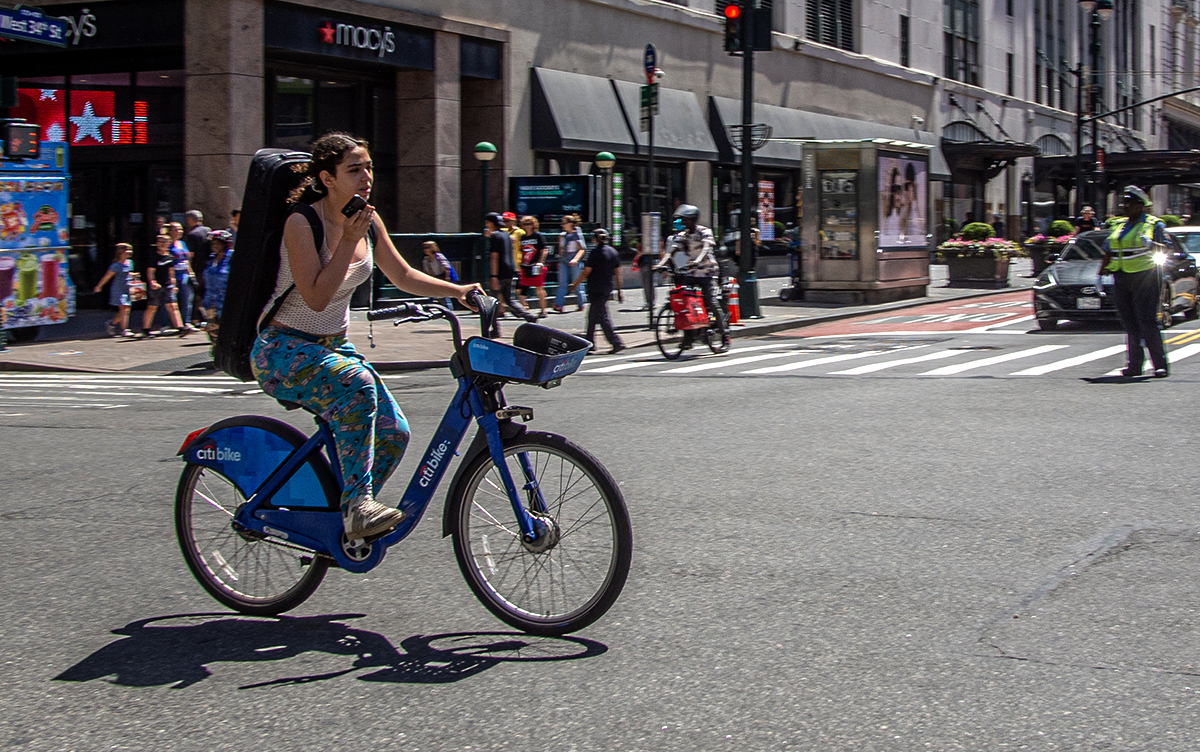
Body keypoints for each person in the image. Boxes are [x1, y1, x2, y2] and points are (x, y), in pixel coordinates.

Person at [251, 131, 479, 542]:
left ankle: (335, 516)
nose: (366, 176)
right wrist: (349, 242)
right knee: (358, 390)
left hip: (333, 349)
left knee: (395, 432)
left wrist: (457, 291)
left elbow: (403, 275)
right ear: (327, 178)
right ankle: (357, 507)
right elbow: (317, 297)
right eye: (354, 169)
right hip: (282, 349)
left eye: (369, 167)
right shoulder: (302, 222)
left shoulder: (367, 220)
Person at [1099, 186, 1169, 379]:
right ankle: (1135, 365)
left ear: (1140, 205)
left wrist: (1152, 244)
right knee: (1130, 323)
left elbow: (1167, 249)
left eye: (1129, 204)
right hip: (1122, 277)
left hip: (1145, 277)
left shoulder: (1154, 225)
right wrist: (1099, 274)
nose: (1125, 207)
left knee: (1147, 321)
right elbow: (1108, 250)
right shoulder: (1119, 225)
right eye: (1124, 203)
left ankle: (1160, 365)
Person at [667, 203, 727, 350]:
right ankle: (688, 338)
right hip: (692, 272)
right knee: (685, 301)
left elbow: (706, 248)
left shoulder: (704, 231)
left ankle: (725, 334)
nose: (682, 222)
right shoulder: (682, 236)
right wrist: (660, 264)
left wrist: (698, 260)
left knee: (711, 301)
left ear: (692, 220)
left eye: (685, 219)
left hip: (707, 271)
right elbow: (672, 251)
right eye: (681, 220)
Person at [569, 228, 625, 354]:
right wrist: (619, 291)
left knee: (602, 316)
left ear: (594, 239)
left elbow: (586, 271)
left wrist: (575, 284)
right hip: (606, 287)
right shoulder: (613, 252)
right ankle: (589, 343)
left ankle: (616, 342)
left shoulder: (595, 253)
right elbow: (617, 273)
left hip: (595, 288)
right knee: (593, 316)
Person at [485, 212, 536, 337]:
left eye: (487, 223)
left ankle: (495, 330)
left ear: (491, 223)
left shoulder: (495, 236)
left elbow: (494, 256)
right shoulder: (506, 235)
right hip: (510, 270)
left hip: (500, 272)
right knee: (509, 299)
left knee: (493, 302)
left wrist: (493, 276)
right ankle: (528, 315)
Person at [139, 234, 186, 338]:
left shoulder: (169, 256)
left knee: (173, 306)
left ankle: (180, 327)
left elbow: (171, 271)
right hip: (157, 285)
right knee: (152, 307)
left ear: (169, 244)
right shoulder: (154, 256)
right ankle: (146, 329)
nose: (162, 244)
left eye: (165, 242)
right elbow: (150, 271)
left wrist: (173, 284)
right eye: (160, 242)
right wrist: (152, 282)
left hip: (167, 284)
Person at [92, 242, 134, 337]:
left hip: (127, 288)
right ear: (121, 252)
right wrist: (99, 286)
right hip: (118, 289)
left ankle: (112, 323)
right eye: (126, 250)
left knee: (126, 309)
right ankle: (124, 329)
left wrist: (133, 276)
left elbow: (128, 274)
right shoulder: (115, 265)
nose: (129, 252)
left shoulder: (130, 263)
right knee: (123, 308)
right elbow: (107, 277)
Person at [201, 230, 234, 341]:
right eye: (213, 243)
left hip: (226, 301)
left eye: (218, 243)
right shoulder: (211, 260)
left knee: (227, 332)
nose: (214, 246)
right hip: (211, 301)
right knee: (213, 331)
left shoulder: (231, 258)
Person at [553, 214, 588, 313]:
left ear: (570, 224)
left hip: (573, 257)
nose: (562, 225)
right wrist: (559, 257)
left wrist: (576, 259)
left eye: (564, 223)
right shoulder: (562, 235)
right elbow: (560, 249)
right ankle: (559, 304)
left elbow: (581, 249)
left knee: (576, 282)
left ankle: (581, 303)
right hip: (564, 258)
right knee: (562, 282)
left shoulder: (577, 233)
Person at [168, 221, 199, 332]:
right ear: (169, 231)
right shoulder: (167, 243)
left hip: (184, 274)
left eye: (180, 229)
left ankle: (186, 321)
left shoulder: (182, 243)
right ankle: (168, 324)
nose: (179, 232)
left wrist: (190, 273)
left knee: (187, 297)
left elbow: (187, 260)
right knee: (171, 299)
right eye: (176, 229)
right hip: (172, 273)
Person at [516, 215, 549, 318]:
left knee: (539, 289)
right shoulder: (523, 237)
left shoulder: (537, 236)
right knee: (523, 289)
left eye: (529, 224)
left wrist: (540, 262)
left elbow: (543, 250)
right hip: (525, 265)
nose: (527, 226)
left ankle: (543, 311)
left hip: (535, 265)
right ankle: (524, 312)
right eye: (525, 224)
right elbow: (522, 251)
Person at [631, 230, 665, 326]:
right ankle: (650, 301)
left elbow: (640, 251)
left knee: (648, 283)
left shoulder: (652, 239)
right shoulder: (652, 239)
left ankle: (651, 302)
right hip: (647, 262)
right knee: (648, 283)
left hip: (648, 262)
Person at [183, 209, 211, 323]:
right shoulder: (208, 231)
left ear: (189, 220)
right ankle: (206, 316)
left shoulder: (192, 235)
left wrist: (189, 270)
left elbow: (190, 254)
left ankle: (195, 318)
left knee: (196, 293)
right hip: (208, 266)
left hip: (197, 267)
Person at [421, 240, 455, 308]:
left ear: (433, 248)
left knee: (444, 296)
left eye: (427, 247)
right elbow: (427, 272)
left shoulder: (439, 256)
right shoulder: (425, 259)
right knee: (431, 295)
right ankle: (429, 308)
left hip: (443, 277)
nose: (425, 250)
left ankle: (450, 310)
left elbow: (446, 268)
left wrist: (447, 279)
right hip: (434, 278)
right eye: (424, 248)